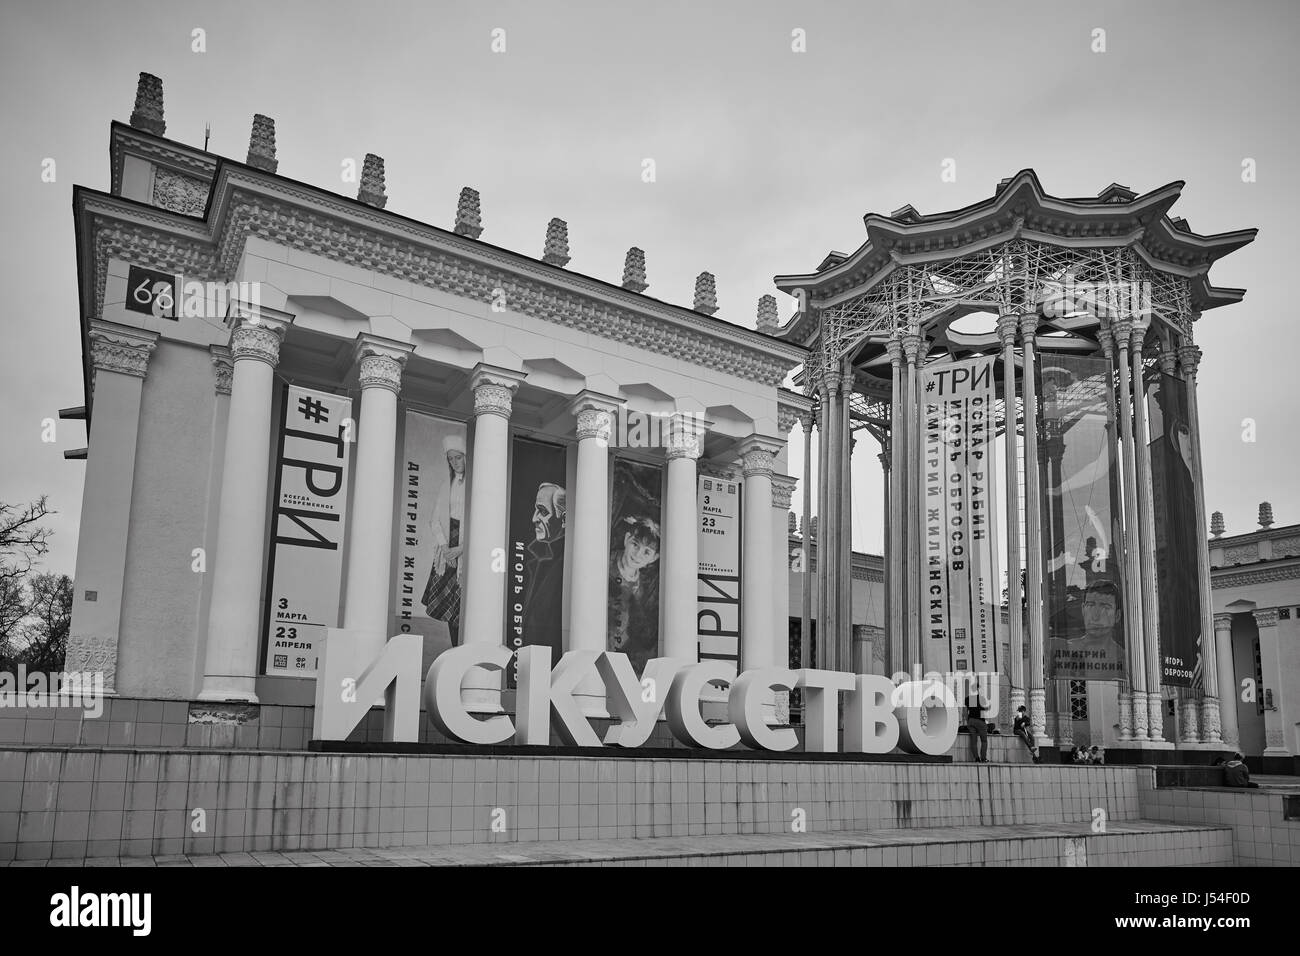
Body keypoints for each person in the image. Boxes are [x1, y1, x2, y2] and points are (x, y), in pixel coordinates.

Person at [421, 433, 466, 644]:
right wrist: (446, 547)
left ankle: (464, 647)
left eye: (458, 457)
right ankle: (455, 647)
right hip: (447, 544)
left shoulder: (475, 485)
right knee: (450, 607)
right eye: (451, 459)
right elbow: (435, 519)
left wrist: (462, 548)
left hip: (466, 546)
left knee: (463, 602)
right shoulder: (446, 485)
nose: (455, 462)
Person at [607, 516, 662, 675]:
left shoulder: (646, 587)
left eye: (647, 552)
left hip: (623, 659)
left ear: (654, 558)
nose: (638, 554)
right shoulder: (604, 563)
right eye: (635, 544)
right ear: (626, 539)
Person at [1049, 579, 1125, 680]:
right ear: (1083, 610)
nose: (1096, 616)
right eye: (1090, 605)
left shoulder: (1125, 658)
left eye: (1106, 607)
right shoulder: (1059, 648)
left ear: (1117, 615)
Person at [965, 685, 989, 762]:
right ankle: (983, 758)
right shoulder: (981, 698)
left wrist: (968, 721)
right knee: (984, 741)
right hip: (980, 721)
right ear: (978, 689)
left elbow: (965, 712)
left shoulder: (968, 699)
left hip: (971, 721)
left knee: (973, 741)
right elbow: (983, 710)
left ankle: (976, 758)